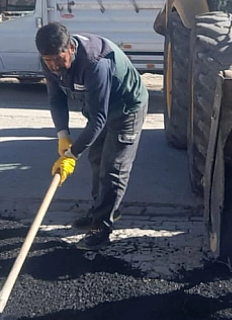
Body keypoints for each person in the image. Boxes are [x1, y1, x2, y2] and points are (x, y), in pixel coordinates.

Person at [37, 22, 149, 250]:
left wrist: (72, 154)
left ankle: (101, 226)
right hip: (99, 107)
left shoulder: (94, 63)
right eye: (49, 61)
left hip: (127, 108)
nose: (55, 66)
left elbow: (98, 119)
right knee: (97, 160)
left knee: (113, 168)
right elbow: (56, 100)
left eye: (59, 60)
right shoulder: (47, 61)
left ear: (70, 49)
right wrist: (63, 135)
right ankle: (103, 209)